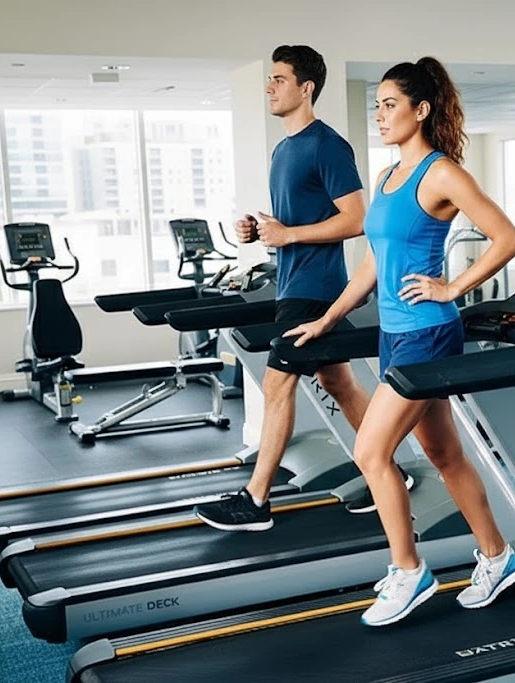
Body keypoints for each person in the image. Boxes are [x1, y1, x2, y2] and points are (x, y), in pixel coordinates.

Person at [283, 57, 515, 626]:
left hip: (428, 333)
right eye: (377, 106)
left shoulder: (441, 174)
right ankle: (499, 557)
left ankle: (409, 570)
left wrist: (453, 287)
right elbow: (373, 264)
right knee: (443, 454)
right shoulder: (389, 176)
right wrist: (328, 319)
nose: (380, 115)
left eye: (390, 105)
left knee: (371, 452)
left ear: (421, 110)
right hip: (396, 335)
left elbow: (507, 238)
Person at [194, 45, 411, 532]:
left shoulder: (326, 145)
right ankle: (389, 470)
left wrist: (289, 235)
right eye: (269, 80)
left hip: (316, 288)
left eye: (279, 79)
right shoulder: (283, 149)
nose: (269, 88)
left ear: (306, 87)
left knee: (277, 383)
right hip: (292, 283)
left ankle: (256, 500)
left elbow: (356, 219)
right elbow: (298, 221)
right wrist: (261, 230)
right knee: (338, 381)